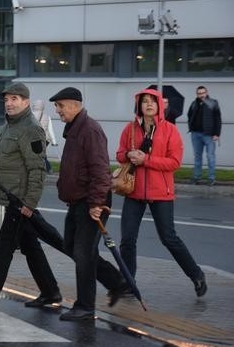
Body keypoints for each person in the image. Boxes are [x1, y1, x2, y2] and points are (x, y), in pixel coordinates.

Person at [0, 82, 62, 311]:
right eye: (7, 99)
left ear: (26, 102)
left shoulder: (31, 128)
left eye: (14, 99)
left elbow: (38, 169)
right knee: (31, 246)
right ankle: (50, 292)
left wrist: (30, 202)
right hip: (12, 198)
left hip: (19, 201)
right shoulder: (9, 127)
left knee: (4, 247)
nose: (9, 103)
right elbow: (1, 163)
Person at [117, 88, 207, 297]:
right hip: (134, 190)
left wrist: (146, 160)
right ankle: (129, 283)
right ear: (139, 105)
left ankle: (197, 274)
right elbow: (120, 154)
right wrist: (128, 154)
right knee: (127, 239)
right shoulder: (130, 129)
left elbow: (174, 162)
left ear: (159, 105)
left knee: (169, 238)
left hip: (161, 192)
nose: (148, 104)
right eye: (144, 101)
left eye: (152, 101)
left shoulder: (170, 130)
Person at [49, 87, 128, 321]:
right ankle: (116, 281)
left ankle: (85, 307)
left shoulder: (90, 130)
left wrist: (96, 203)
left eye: (60, 105)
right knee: (73, 247)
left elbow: (101, 171)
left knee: (83, 253)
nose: (58, 110)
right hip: (78, 201)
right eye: (57, 106)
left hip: (91, 202)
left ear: (74, 104)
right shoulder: (75, 128)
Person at [187, 85, 221, 185]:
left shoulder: (213, 103)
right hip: (195, 134)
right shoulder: (194, 103)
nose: (201, 95)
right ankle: (197, 177)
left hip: (209, 135)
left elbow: (218, 119)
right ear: (197, 94)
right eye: (199, 93)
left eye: (203, 93)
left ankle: (211, 178)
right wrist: (191, 127)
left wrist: (216, 133)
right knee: (197, 157)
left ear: (206, 93)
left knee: (210, 156)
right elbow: (189, 115)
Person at [31, 99, 57, 173]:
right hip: (45, 139)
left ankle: (47, 168)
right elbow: (50, 130)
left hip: (34, 138)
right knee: (40, 154)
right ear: (42, 106)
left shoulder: (30, 115)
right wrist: (54, 142)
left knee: (38, 154)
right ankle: (45, 168)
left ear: (34, 105)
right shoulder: (47, 117)